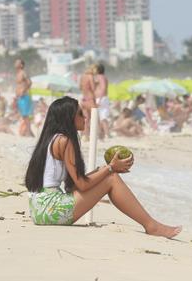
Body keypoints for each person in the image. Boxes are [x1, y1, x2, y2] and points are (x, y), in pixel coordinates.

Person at [24, 96, 181, 237]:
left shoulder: (53, 138)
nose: (84, 117)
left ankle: (150, 224)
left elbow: (75, 185)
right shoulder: (65, 141)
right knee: (111, 178)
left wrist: (105, 169)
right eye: (79, 113)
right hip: (52, 210)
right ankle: (151, 225)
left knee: (103, 172)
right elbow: (82, 185)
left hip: (40, 209)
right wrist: (111, 168)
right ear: (68, 118)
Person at [14, 58, 34, 137]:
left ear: (21, 65)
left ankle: (28, 133)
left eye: (17, 62)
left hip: (24, 96)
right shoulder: (17, 73)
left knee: (26, 115)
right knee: (23, 115)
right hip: (20, 97)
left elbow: (29, 82)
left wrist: (23, 90)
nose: (15, 63)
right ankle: (30, 133)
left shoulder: (23, 73)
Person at [94, 64, 111, 140]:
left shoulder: (100, 77)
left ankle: (106, 134)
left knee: (102, 118)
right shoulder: (103, 77)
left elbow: (103, 88)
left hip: (101, 98)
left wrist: (99, 99)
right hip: (102, 98)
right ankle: (103, 135)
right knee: (101, 117)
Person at [79, 65, 97, 139]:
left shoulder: (82, 77)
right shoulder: (90, 76)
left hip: (83, 99)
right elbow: (93, 88)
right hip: (90, 99)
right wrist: (96, 84)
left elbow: (80, 87)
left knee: (85, 119)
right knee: (95, 118)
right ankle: (95, 136)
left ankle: (85, 135)